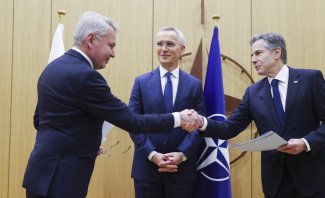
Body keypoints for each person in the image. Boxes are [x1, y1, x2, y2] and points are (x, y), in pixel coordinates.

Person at [22, 11, 199, 198]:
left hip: (39, 174)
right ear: (91, 40)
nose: (113, 54)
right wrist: (179, 118)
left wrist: (84, 142)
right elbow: (133, 122)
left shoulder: (52, 68)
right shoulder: (87, 76)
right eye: (111, 45)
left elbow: (40, 121)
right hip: (63, 178)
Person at [196, 32, 325, 198]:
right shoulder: (252, 93)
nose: (253, 59)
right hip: (277, 182)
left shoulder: (310, 79)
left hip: (313, 178)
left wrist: (305, 142)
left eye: (258, 53)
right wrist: (201, 122)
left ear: (276, 53)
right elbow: (230, 128)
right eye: (252, 55)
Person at [128, 26, 205, 198]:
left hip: (182, 170)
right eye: (159, 44)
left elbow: (200, 125)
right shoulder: (140, 82)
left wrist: (182, 154)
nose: (163, 49)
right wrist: (153, 154)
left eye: (169, 44)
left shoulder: (194, 85)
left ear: (182, 49)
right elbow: (133, 124)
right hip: (147, 169)